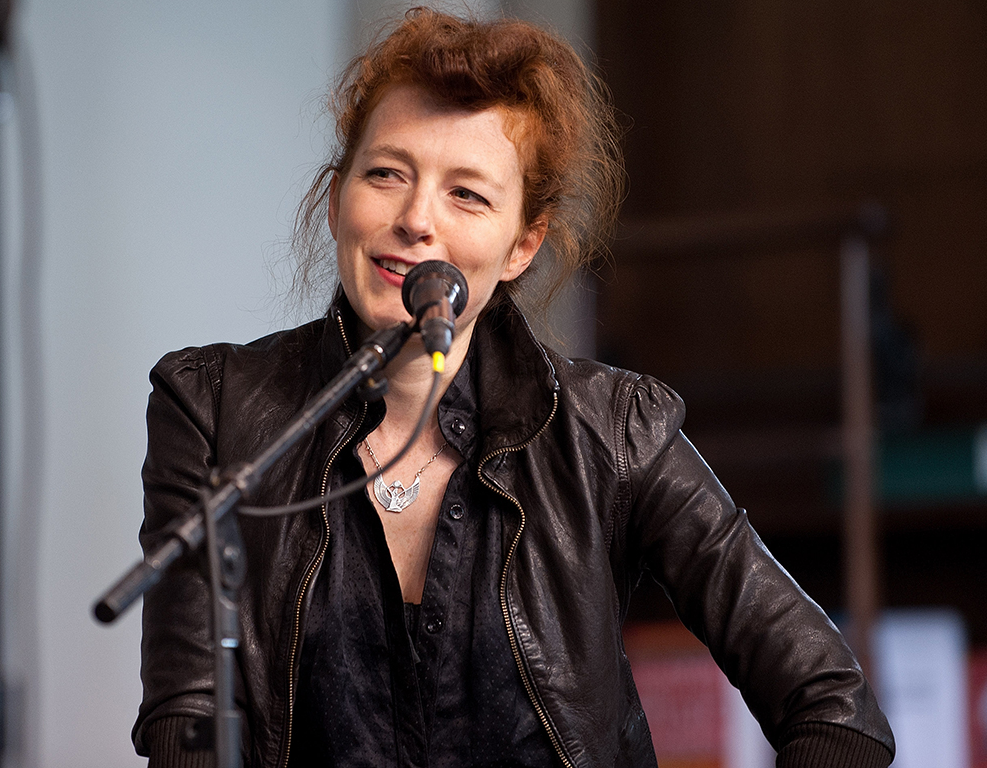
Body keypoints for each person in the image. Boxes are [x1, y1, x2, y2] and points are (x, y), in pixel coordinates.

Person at [133, 7, 895, 768]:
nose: (415, 220)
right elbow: (187, 723)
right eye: (386, 174)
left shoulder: (615, 429)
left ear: (523, 244)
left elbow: (837, 712)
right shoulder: (213, 407)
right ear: (338, 202)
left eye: (467, 194)